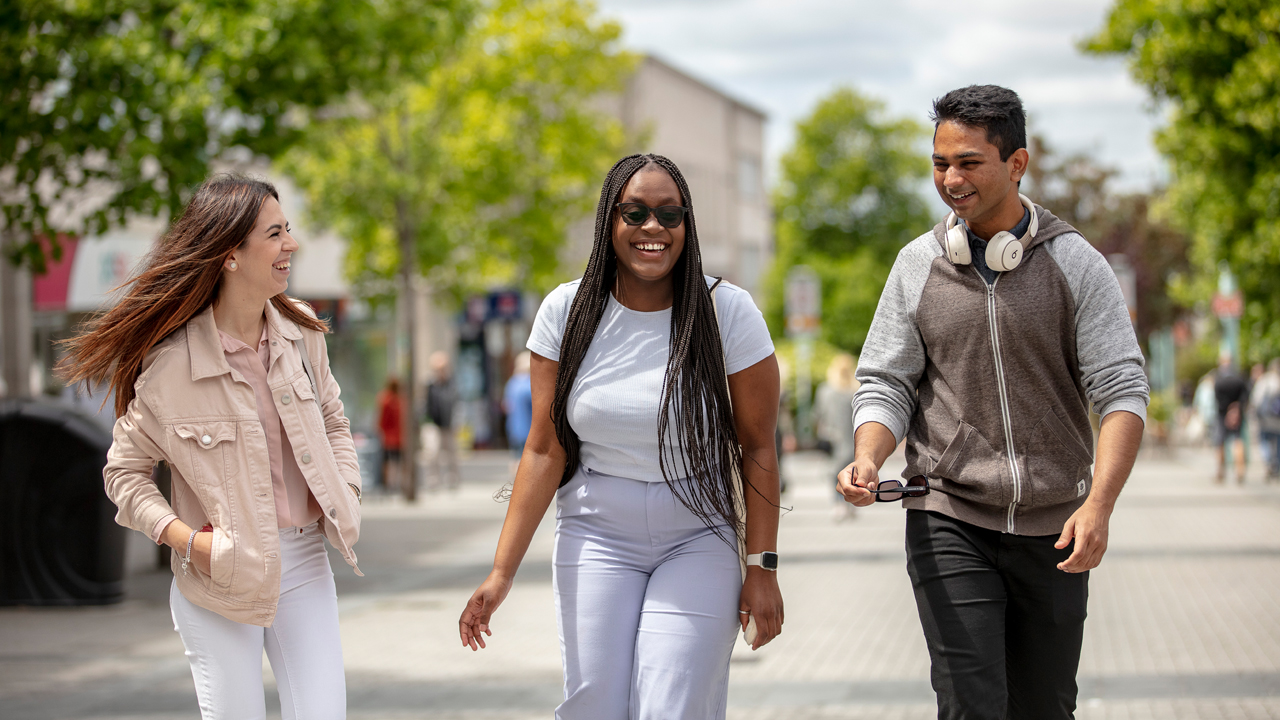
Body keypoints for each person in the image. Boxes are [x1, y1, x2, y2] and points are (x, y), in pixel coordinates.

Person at [838, 86, 1148, 720]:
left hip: (1056, 525)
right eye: (940, 163)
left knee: (1045, 706)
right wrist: (869, 455)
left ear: (1017, 163)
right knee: (969, 705)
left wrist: (1099, 506)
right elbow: (886, 381)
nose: (951, 179)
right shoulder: (917, 265)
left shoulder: (1075, 263)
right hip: (948, 512)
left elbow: (1121, 390)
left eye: (969, 163)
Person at [458, 153, 783, 719]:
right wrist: (501, 573)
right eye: (635, 213)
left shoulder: (726, 311)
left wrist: (762, 567)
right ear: (609, 221)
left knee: (673, 705)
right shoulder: (567, 310)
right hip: (597, 531)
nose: (653, 227)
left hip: (697, 529)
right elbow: (544, 448)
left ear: (686, 224)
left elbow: (757, 447)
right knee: (594, 705)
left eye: (669, 215)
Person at [59, 175, 362, 720]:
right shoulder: (172, 364)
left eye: (287, 229)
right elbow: (123, 473)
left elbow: (334, 422)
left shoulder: (302, 335)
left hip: (304, 561)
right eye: (274, 234)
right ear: (230, 255)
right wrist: (189, 542)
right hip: (219, 574)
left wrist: (348, 491)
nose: (291, 244)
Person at [815, 353, 859, 521]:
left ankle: (838, 504)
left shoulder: (825, 391)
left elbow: (818, 414)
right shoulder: (855, 391)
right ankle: (850, 502)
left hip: (831, 437)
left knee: (834, 472)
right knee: (852, 471)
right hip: (852, 438)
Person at [424, 350, 461, 490]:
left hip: (449, 424)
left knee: (452, 454)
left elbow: (457, 403)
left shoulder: (452, 384)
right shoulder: (429, 385)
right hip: (433, 423)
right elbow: (423, 404)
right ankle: (433, 480)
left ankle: (452, 480)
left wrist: (457, 421)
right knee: (432, 453)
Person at [1215, 353, 1250, 484]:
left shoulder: (1219, 380)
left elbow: (1217, 399)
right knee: (1237, 440)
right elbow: (1245, 396)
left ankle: (1220, 470)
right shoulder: (1239, 379)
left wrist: (1228, 410)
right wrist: (1236, 409)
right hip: (1238, 413)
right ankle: (1240, 470)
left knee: (1220, 442)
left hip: (1223, 414)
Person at [503, 351, 534, 464]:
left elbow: (506, 406)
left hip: (513, 429)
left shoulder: (511, 383)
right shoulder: (529, 384)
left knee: (516, 459)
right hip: (528, 430)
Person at [1253, 358, 1280, 481]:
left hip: (1266, 417)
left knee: (1265, 440)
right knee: (1278, 441)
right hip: (1277, 418)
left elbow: (1257, 399)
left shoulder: (1265, 380)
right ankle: (1276, 465)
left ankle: (1269, 462)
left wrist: (1256, 413)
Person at [376, 377, 403, 492]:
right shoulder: (400, 401)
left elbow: (382, 419)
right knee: (396, 461)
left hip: (388, 436)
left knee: (387, 461)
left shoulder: (386, 399)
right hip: (398, 436)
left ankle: (389, 484)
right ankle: (394, 483)